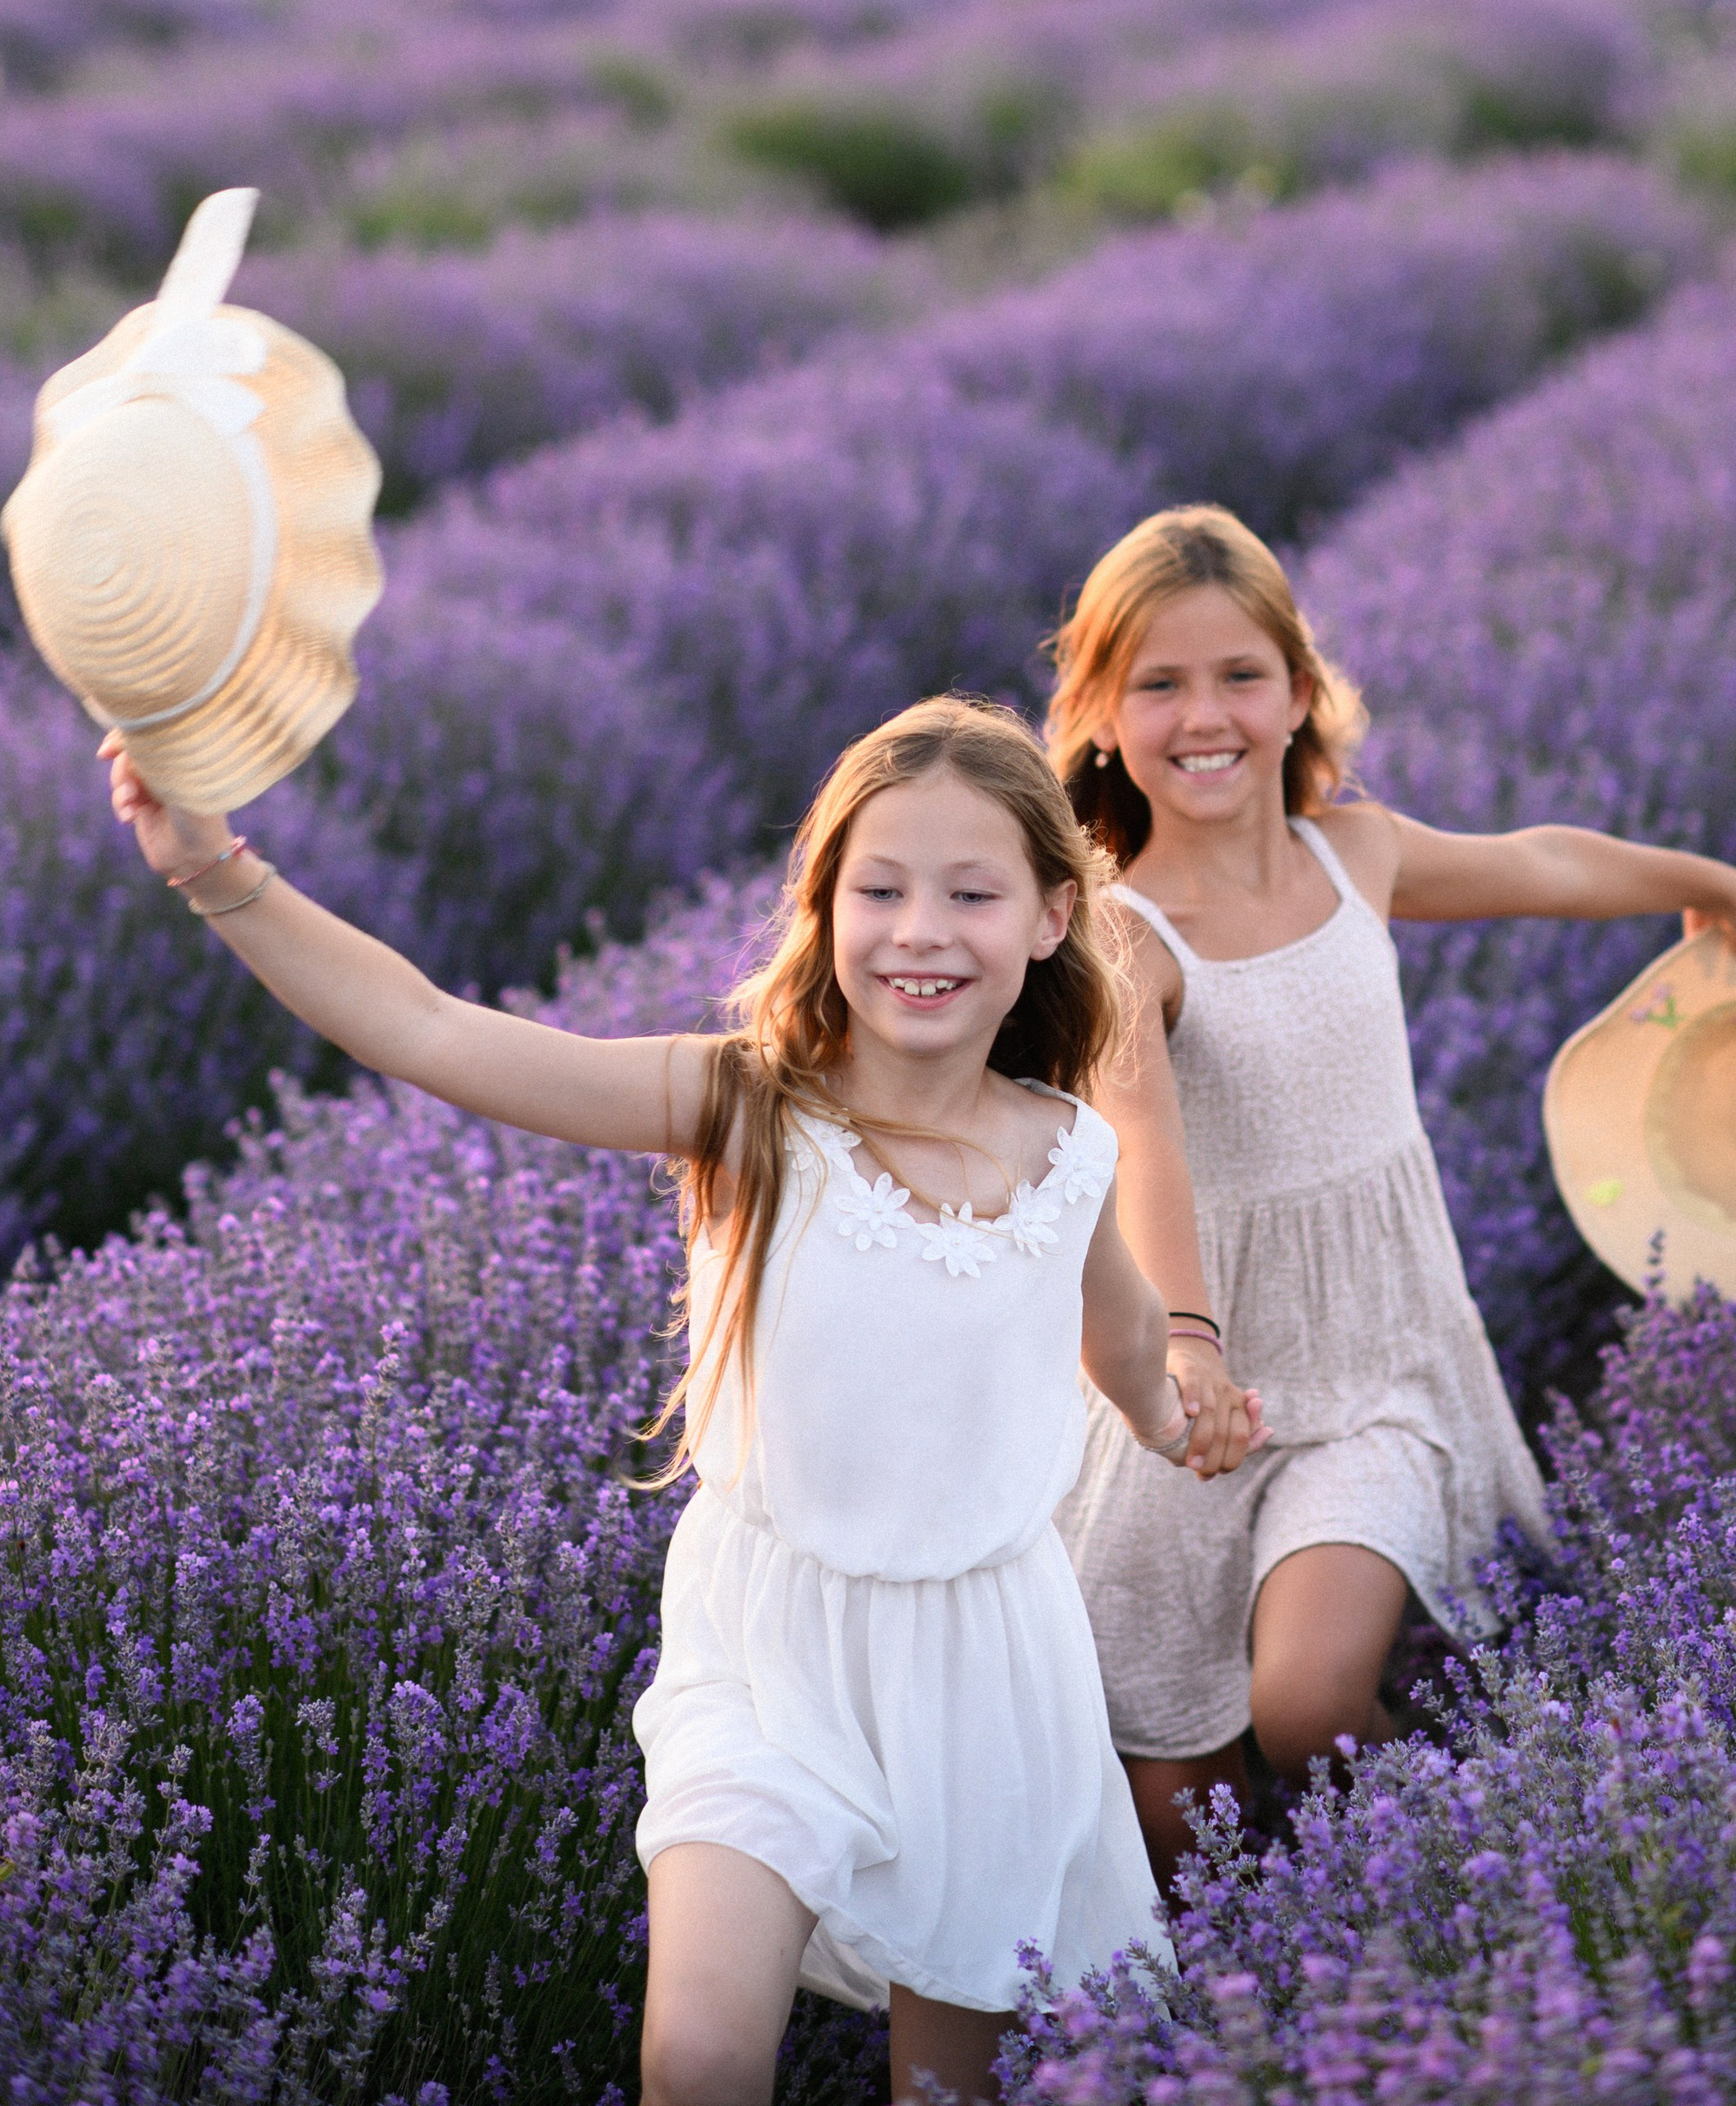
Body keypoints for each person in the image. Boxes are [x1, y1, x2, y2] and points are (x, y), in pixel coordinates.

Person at [103, 693, 1232, 2106]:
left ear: (1054, 918)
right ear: (824, 912)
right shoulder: (753, 1109)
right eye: (875, 890)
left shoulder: (1067, 1154)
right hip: (767, 1652)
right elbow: (433, 1032)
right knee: (699, 2052)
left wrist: (1184, 1404)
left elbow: (1122, 1340)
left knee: (947, 2083)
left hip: (984, 1670)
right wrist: (214, 866)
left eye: (971, 894)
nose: (919, 932)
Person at [1046, 505, 1736, 1888]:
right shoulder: (1123, 939)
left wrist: (1704, 885)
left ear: (1301, 690)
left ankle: (1472, 1866)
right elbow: (1145, 1146)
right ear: (1098, 716)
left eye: (1241, 675)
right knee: (1173, 1811)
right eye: (1160, 684)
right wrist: (1186, 1344)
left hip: (1375, 1362)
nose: (1207, 716)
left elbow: (1539, 861)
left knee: (1309, 1708)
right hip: (1190, 1390)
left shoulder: (1351, 854)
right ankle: (1294, 1986)